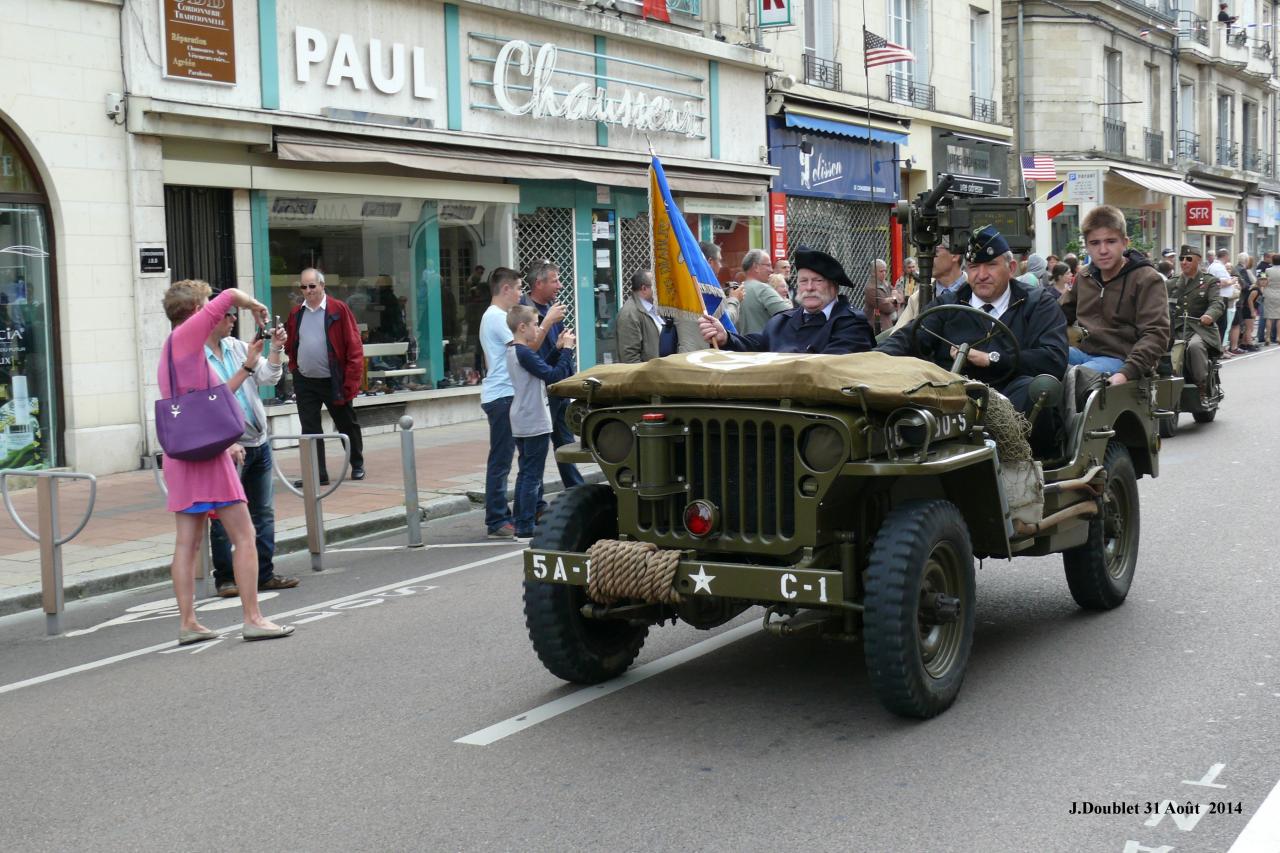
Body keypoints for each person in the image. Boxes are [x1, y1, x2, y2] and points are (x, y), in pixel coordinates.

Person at [159, 280, 292, 644]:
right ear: (192, 312)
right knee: (245, 535)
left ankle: (188, 622)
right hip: (209, 456)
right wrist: (255, 305)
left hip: (180, 454)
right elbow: (231, 295)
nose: (213, 310)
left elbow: (206, 398)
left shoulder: (169, 349)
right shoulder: (189, 337)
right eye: (204, 304)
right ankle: (253, 617)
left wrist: (248, 366)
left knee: (187, 542)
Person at [877, 225, 1069, 415]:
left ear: (1011, 268)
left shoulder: (1037, 303)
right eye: (974, 267)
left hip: (1017, 400)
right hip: (954, 402)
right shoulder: (947, 305)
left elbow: (1053, 359)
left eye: (991, 265)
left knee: (1033, 390)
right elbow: (908, 339)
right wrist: (870, 361)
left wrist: (992, 359)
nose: (982, 275)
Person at [206, 308, 299, 598]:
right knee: (223, 516)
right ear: (211, 318)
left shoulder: (236, 347)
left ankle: (264, 573)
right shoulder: (198, 359)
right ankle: (226, 578)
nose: (234, 319)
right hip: (228, 447)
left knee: (263, 512)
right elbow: (214, 399)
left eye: (235, 314)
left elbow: (269, 377)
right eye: (228, 315)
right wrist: (246, 366)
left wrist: (276, 350)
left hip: (258, 441)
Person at [1060, 206, 1170, 385]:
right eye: (1095, 243)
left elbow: (1155, 334)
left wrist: (1126, 373)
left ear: (1125, 243)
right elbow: (1058, 315)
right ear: (1087, 246)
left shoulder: (1146, 279)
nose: (1103, 250)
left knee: (1079, 377)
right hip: (1083, 353)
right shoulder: (1085, 276)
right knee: (1041, 363)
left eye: (1110, 241)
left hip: (1123, 359)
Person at [698, 246, 875, 355]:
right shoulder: (782, 322)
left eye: (818, 281)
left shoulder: (852, 324)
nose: (810, 287)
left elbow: (829, 368)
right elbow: (755, 345)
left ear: (834, 287)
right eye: (804, 281)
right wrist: (726, 338)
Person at [481, 267, 547, 539]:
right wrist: (548, 323)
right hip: (502, 395)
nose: (522, 294)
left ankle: (530, 510)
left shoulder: (497, 317)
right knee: (502, 459)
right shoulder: (497, 318)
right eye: (519, 288)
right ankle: (497, 518)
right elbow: (527, 348)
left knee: (524, 457)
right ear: (506, 289)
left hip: (507, 393)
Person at [283, 268, 365, 485]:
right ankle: (318, 473)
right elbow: (292, 343)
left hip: (333, 379)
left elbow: (354, 346)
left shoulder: (338, 309)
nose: (308, 291)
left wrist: (351, 381)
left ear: (322, 285)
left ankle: (357, 463)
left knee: (346, 423)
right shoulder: (296, 313)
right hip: (305, 379)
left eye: (312, 286)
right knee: (310, 428)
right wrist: (294, 366)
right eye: (304, 287)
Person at [505, 305, 578, 540]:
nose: (538, 329)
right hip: (533, 418)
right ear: (522, 327)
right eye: (536, 325)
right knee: (532, 475)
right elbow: (553, 377)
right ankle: (525, 526)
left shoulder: (516, 351)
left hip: (523, 417)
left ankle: (520, 521)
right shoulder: (524, 352)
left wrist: (556, 350)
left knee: (525, 472)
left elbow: (542, 369)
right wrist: (567, 351)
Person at [521, 261, 584, 493]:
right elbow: (528, 351)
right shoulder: (524, 310)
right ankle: (533, 504)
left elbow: (557, 346)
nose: (559, 285)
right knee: (534, 454)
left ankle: (577, 493)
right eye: (554, 280)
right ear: (539, 283)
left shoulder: (552, 309)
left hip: (559, 387)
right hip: (539, 391)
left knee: (565, 445)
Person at [1165, 245, 1226, 403]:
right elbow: (1158, 304)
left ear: (1198, 260)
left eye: (1189, 259)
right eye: (1182, 259)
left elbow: (1217, 303)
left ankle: (1201, 387)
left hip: (1200, 329)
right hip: (1175, 329)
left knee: (1194, 347)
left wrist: (1209, 315)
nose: (1184, 262)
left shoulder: (1209, 281)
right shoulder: (1171, 283)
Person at [890, 241, 969, 334]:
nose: (925, 257)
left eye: (934, 251)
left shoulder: (978, 292)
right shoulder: (917, 298)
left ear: (955, 255)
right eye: (922, 252)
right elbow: (897, 336)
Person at [615, 269, 674, 363]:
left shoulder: (657, 308)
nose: (662, 288)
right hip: (650, 376)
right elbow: (630, 359)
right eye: (657, 285)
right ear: (644, 289)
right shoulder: (629, 314)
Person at [736, 248, 790, 335]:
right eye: (768, 265)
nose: (771, 270)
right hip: (764, 346)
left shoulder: (737, 291)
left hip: (742, 346)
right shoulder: (763, 289)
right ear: (756, 267)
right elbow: (791, 315)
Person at [864, 259, 901, 335]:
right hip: (878, 326)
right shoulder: (871, 288)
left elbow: (898, 294)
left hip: (888, 323)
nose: (884, 273)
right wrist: (894, 300)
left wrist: (891, 299)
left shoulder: (885, 283)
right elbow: (887, 308)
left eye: (885, 271)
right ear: (873, 273)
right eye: (881, 271)